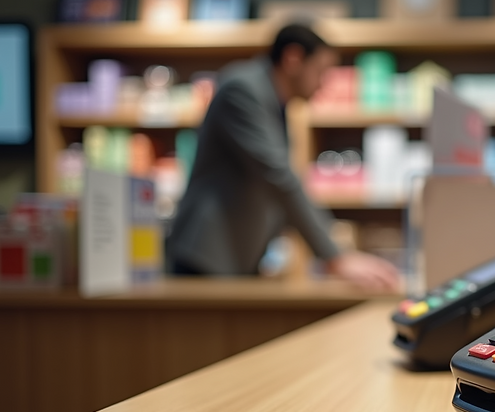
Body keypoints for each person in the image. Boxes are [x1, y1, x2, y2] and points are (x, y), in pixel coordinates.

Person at [167, 24, 400, 292]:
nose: (323, 83)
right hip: (205, 256)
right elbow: (278, 175)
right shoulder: (243, 89)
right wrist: (336, 257)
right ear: (293, 59)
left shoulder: (274, 100)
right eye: (321, 71)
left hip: (232, 258)